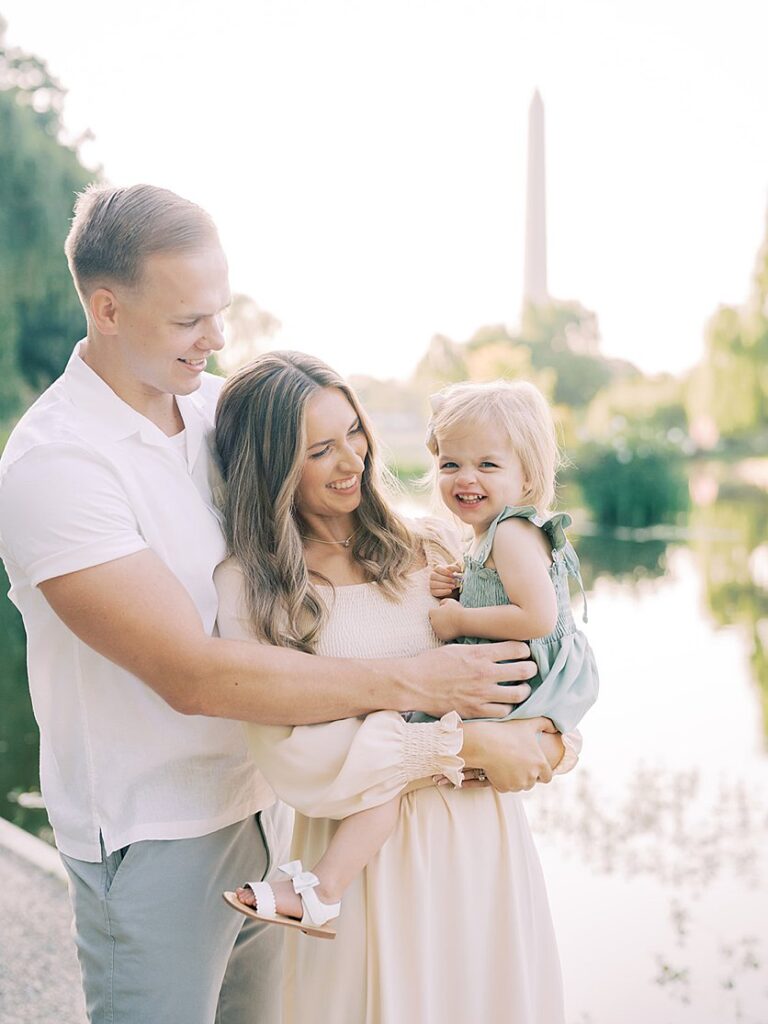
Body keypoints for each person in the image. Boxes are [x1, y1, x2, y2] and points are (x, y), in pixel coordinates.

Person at [0, 185, 548, 1024]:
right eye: (190, 320)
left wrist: (479, 578)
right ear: (108, 308)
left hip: (281, 811)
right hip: (157, 835)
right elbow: (194, 675)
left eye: (217, 312)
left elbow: (338, 519)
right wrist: (433, 696)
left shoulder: (220, 409)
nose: (216, 337)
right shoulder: (58, 467)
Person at [214, 351, 569, 1024]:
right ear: (270, 465)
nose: (352, 460)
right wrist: (461, 747)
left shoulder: (438, 547)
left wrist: (548, 739)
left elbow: (539, 670)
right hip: (354, 873)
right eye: (320, 449)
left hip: (480, 852)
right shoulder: (254, 593)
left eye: (354, 432)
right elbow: (296, 755)